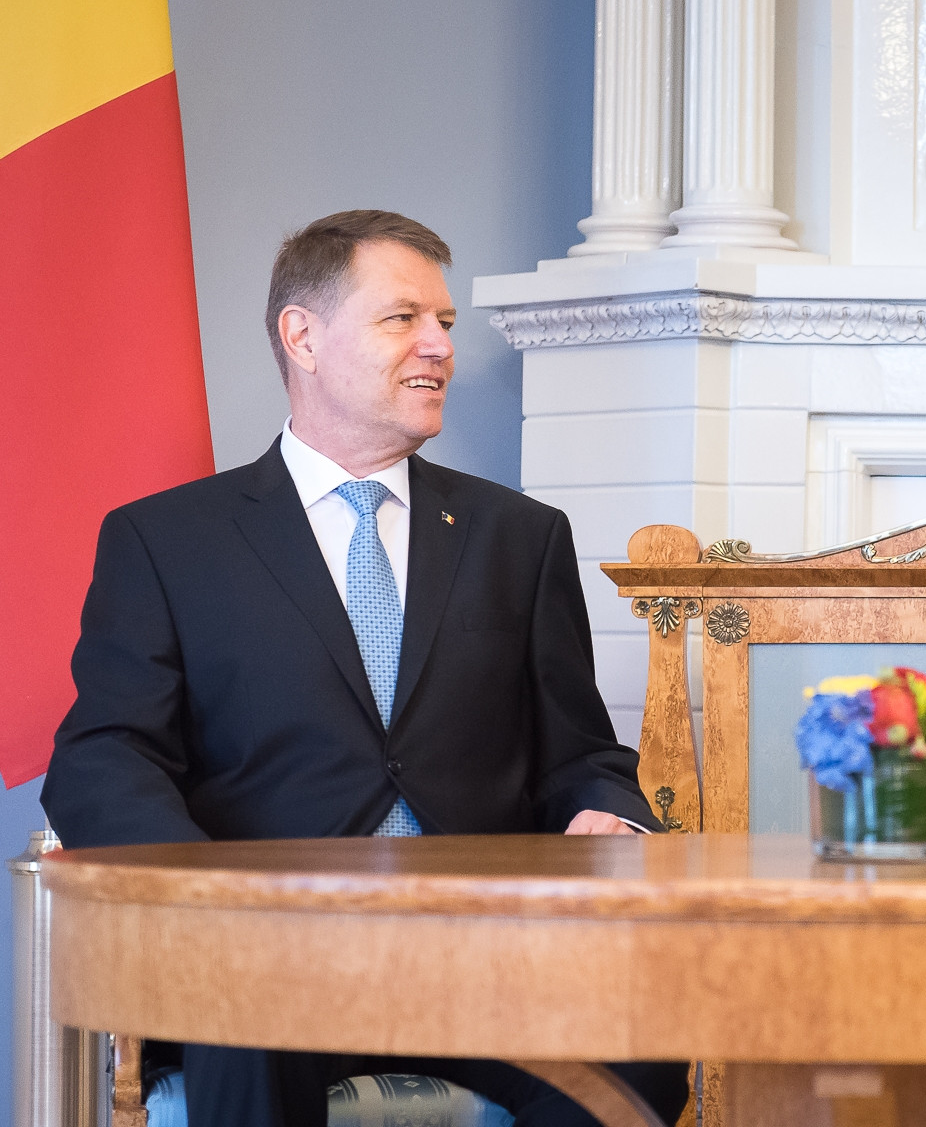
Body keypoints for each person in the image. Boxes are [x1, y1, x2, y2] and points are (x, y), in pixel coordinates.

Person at [41, 210, 689, 1127]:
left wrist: (605, 812)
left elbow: (579, 753)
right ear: (301, 336)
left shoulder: (521, 537)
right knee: (240, 1021)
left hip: (489, 966)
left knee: (646, 1055)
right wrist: (200, 900)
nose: (439, 347)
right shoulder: (166, 540)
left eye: (447, 324)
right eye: (404, 319)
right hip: (267, 960)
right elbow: (104, 755)